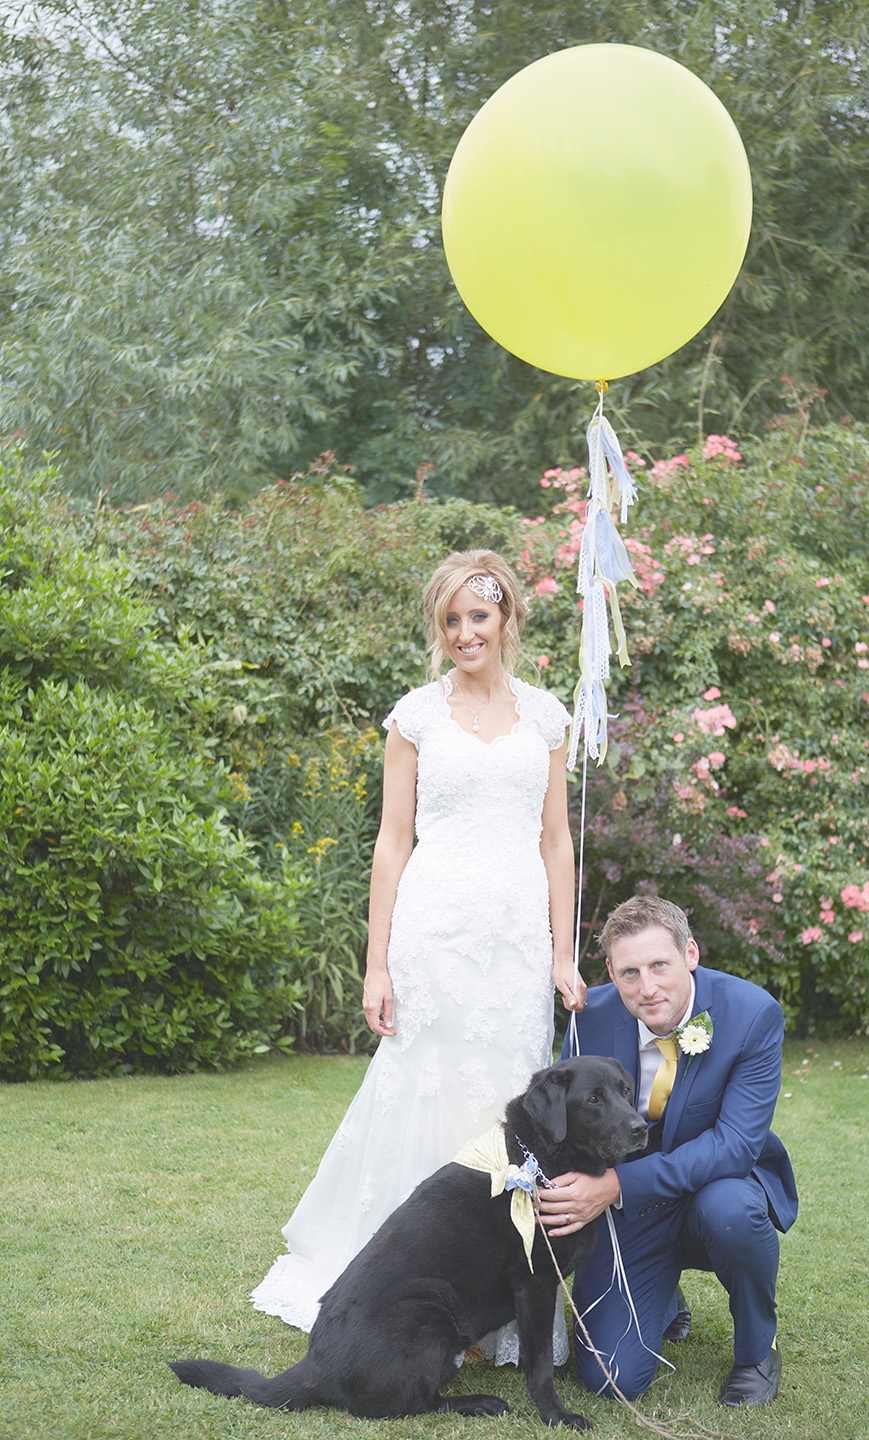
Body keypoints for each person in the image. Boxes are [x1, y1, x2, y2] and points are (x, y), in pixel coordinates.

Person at [251, 549, 585, 1348]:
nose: (466, 632)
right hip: (433, 938)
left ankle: (492, 1306)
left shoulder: (545, 717)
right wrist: (378, 962)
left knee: (509, 1103)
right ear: (439, 629)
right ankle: (393, 1283)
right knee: (425, 1093)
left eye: (479, 616)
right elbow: (391, 844)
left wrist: (563, 955)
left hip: (513, 943)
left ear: (506, 619)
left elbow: (556, 843)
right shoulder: (415, 716)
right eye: (451, 620)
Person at [538, 894, 797, 1407]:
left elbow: (735, 1145)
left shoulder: (751, 1014)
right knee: (609, 1378)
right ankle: (662, 1296)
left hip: (716, 1187)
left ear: (691, 954)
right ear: (610, 972)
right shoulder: (587, 1020)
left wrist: (614, 1187)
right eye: (629, 972)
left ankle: (757, 1350)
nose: (647, 987)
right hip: (632, 1210)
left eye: (660, 966)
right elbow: (566, 1127)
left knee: (733, 1213)